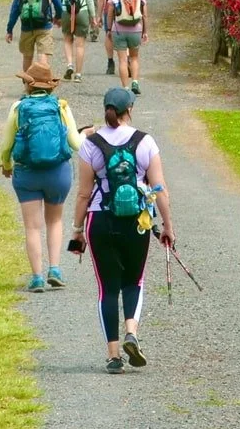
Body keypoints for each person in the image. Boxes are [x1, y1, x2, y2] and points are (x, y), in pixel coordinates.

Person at [70, 87, 171, 374]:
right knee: (133, 281)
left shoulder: (91, 144)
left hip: (100, 219)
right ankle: (131, 332)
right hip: (138, 221)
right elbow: (159, 189)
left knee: (107, 288)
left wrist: (77, 230)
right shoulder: (145, 141)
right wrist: (167, 226)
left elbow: (83, 193)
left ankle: (114, 356)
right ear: (130, 110)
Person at [0, 64, 79, 293]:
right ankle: (54, 269)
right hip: (58, 172)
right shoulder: (61, 107)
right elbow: (75, 143)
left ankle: (36, 277)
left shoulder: (18, 108)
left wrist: (7, 165)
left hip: (27, 173)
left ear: (28, 84)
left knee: (32, 227)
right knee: (55, 221)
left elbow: (6, 145)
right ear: (50, 86)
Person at [6, 0, 63, 71]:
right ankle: (42, 79)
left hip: (27, 27)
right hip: (44, 27)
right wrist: (58, 18)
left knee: (27, 57)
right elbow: (59, 6)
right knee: (43, 54)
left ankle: (27, 80)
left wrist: (9, 30)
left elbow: (14, 11)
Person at [59, 0, 99, 82]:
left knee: (67, 40)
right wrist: (93, 17)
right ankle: (78, 75)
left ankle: (69, 64)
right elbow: (90, 0)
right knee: (80, 44)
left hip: (66, 11)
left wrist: (57, 15)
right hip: (82, 12)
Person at [108, 0, 147, 95]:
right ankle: (135, 82)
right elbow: (144, 15)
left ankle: (125, 88)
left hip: (118, 30)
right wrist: (145, 31)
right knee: (134, 57)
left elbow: (110, 14)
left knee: (122, 60)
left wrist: (109, 29)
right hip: (135, 30)